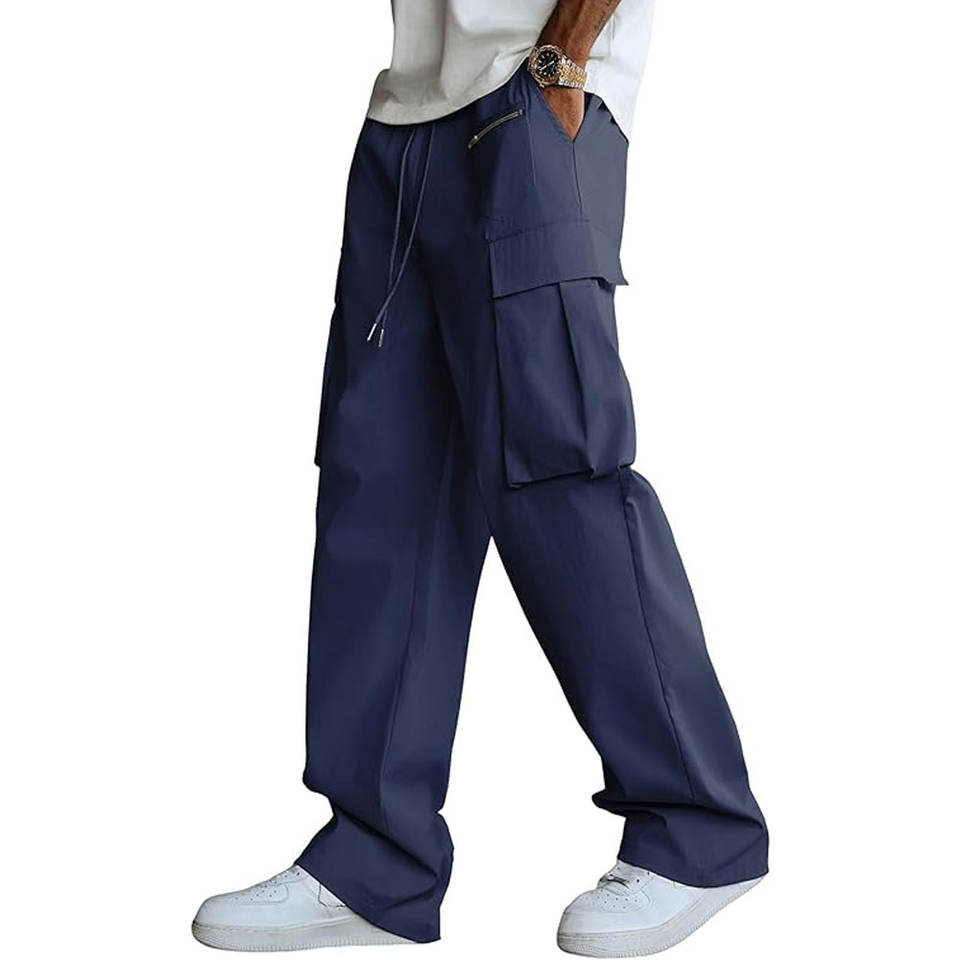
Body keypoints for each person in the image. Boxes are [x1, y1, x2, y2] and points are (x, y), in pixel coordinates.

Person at [191, 1, 769, 955]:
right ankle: (375, 862)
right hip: (407, 117)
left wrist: (564, 61)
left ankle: (700, 833)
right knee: (384, 482)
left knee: (562, 473)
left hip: (531, 96)